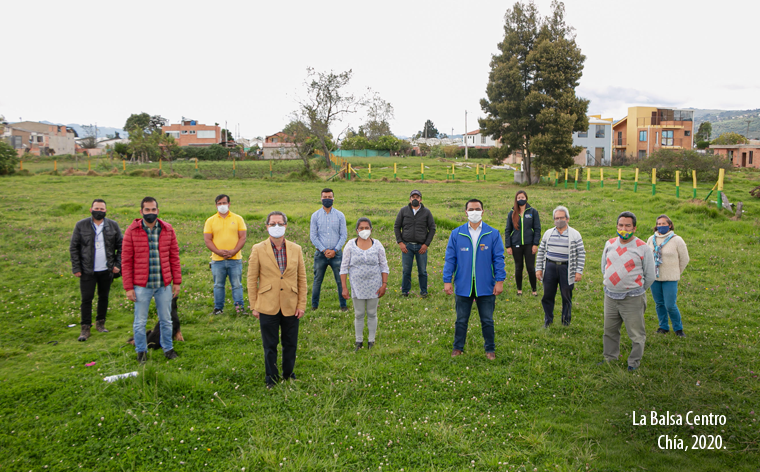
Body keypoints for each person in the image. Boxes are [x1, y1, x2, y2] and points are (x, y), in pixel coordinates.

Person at [247, 211, 307, 389]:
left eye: (280, 223)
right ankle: (271, 378)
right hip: (267, 304)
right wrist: (254, 305)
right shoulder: (258, 249)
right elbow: (252, 279)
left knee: (290, 343)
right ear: (266, 226)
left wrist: (301, 304)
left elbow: (301, 278)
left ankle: (289, 374)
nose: (276, 227)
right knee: (270, 345)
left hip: (291, 303)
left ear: (286, 226)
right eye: (272, 224)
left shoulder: (296, 249)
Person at [443, 199, 506, 360]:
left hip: (485, 285)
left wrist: (500, 281)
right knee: (461, 320)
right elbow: (450, 259)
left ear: (483, 212)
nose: (474, 212)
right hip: (463, 284)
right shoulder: (457, 234)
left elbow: (499, 259)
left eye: (477, 209)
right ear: (466, 212)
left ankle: (490, 349)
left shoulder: (493, 234)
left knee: (487, 320)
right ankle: (458, 348)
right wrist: (447, 280)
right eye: (471, 209)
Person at [122, 197, 182, 363]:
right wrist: (128, 287)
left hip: (163, 285)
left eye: (153, 210)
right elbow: (126, 261)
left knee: (166, 320)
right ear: (141, 212)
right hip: (142, 286)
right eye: (147, 210)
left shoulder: (167, 229)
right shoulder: (131, 231)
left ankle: (168, 349)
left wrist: (176, 281)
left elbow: (174, 257)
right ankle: (141, 351)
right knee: (140, 322)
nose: (150, 213)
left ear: (158, 211)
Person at [600, 211, 655, 371]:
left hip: (633, 299)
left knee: (636, 334)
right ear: (617, 226)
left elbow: (650, 275)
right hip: (610, 296)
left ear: (634, 228)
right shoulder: (609, 243)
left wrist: (635, 290)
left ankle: (634, 362)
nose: (624, 229)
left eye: (627, 226)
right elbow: (604, 267)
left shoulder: (643, 248)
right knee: (609, 330)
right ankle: (610, 358)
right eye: (621, 225)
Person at [69, 199, 123, 341]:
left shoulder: (113, 226)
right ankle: (85, 328)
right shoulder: (81, 225)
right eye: (96, 208)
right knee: (86, 299)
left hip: (107, 270)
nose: (99, 211)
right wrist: (76, 267)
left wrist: (118, 264)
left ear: (106, 211)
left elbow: (122, 246)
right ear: (91, 209)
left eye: (102, 209)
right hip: (87, 270)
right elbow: (74, 248)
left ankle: (101, 324)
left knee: (103, 297)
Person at [340, 218, 390, 351]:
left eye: (366, 228)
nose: (364, 230)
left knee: (372, 313)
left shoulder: (377, 245)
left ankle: (371, 341)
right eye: (361, 228)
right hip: (357, 285)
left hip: (375, 284)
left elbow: (384, 266)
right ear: (356, 230)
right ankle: (359, 340)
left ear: (371, 229)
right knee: (359, 313)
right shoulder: (350, 245)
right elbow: (344, 267)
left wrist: (384, 284)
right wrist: (344, 287)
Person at [535, 206, 585, 327]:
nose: (559, 220)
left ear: (567, 219)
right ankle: (548, 320)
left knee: (566, 295)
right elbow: (541, 251)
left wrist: (579, 271)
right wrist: (538, 269)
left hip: (566, 268)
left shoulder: (575, 234)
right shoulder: (548, 233)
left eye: (561, 217)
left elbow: (581, 253)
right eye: (556, 218)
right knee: (547, 295)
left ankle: (566, 321)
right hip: (550, 267)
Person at [646, 214, 690, 337]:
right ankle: (663, 326)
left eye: (663, 224)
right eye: (659, 224)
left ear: (669, 225)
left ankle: (678, 328)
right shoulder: (651, 239)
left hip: (670, 278)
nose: (661, 226)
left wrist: (676, 272)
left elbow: (685, 259)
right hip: (655, 277)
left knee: (670, 304)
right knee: (659, 303)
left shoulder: (677, 240)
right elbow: (647, 257)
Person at [203, 194, 247, 315]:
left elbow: (242, 237)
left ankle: (239, 308)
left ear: (229, 204)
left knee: (237, 285)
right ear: (216, 205)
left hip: (235, 259)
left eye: (224, 203)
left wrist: (234, 251)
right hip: (217, 260)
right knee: (218, 285)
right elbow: (207, 239)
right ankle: (218, 308)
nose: (222, 205)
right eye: (219, 203)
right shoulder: (210, 221)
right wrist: (218, 252)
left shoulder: (238, 219)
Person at [310, 188, 348, 311]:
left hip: (336, 254)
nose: (327, 199)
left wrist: (335, 250)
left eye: (329, 197)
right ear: (321, 199)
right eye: (325, 197)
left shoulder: (340, 215)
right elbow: (313, 236)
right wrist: (324, 250)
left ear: (333, 198)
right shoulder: (315, 216)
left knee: (340, 280)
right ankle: (314, 306)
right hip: (320, 254)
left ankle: (343, 305)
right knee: (317, 281)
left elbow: (343, 235)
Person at [394, 189, 436, 298]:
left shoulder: (426, 212)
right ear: (410, 199)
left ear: (421, 200)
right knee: (406, 270)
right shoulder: (403, 211)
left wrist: (426, 244)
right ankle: (405, 291)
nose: (415, 199)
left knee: (422, 270)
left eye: (417, 197)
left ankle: (423, 292)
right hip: (407, 246)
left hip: (421, 246)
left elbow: (432, 228)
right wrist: (400, 242)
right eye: (413, 197)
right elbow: (397, 227)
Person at [504, 190, 541, 296]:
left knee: (530, 267)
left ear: (526, 198)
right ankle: (519, 289)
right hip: (516, 245)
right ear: (516, 199)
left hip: (529, 244)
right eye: (519, 198)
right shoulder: (512, 213)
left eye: (522, 197)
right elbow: (507, 230)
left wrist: (535, 244)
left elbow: (537, 229)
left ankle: (534, 290)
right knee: (518, 267)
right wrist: (508, 246)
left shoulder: (533, 212)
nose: (521, 199)